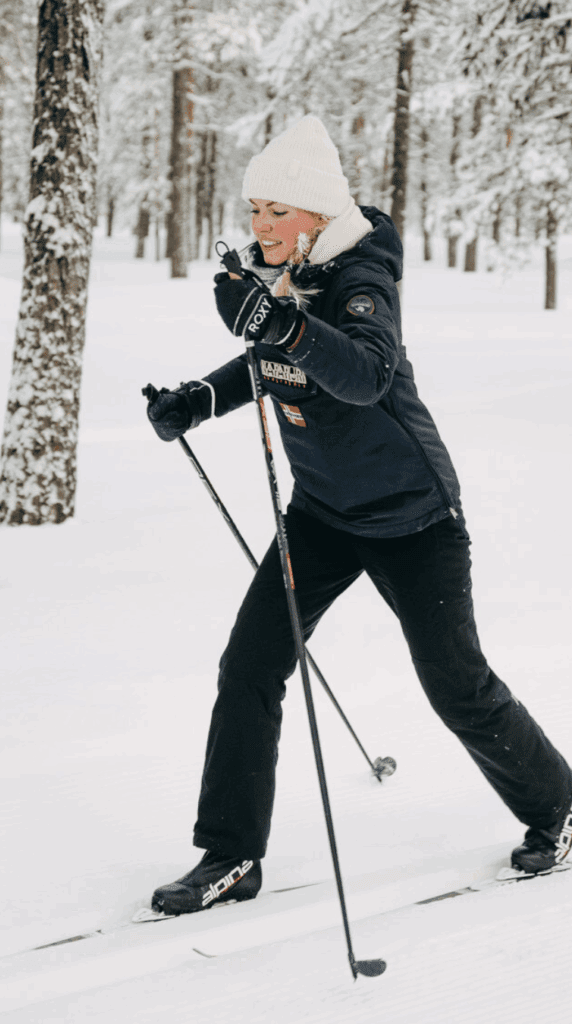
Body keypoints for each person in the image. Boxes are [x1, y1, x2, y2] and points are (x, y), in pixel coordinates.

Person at [144, 115, 572, 916]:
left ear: (315, 217)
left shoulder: (360, 278)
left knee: (457, 686)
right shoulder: (283, 281)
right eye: (254, 210)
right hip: (322, 516)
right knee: (247, 667)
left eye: (276, 211)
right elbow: (268, 360)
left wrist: (277, 322)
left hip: (414, 519)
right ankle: (231, 856)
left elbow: (363, 374)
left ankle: (559, 808)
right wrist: (199, 398)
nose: (260, 225)